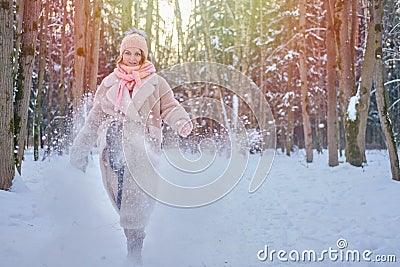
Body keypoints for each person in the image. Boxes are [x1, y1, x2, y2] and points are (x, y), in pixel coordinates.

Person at [69, 29, 193, 265]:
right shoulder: (109, 83)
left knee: (135, 205)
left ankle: (134, 248)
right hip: (113, 145)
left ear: (144, 56)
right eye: (129, 53)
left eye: (138, 54)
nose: (133, 58)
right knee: (122, 194)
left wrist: (181, 122)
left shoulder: (156, 83)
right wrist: (80, 149)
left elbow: (170, 106)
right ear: (121, 54)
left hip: (143, 148)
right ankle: (133, 237)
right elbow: (94, 119)